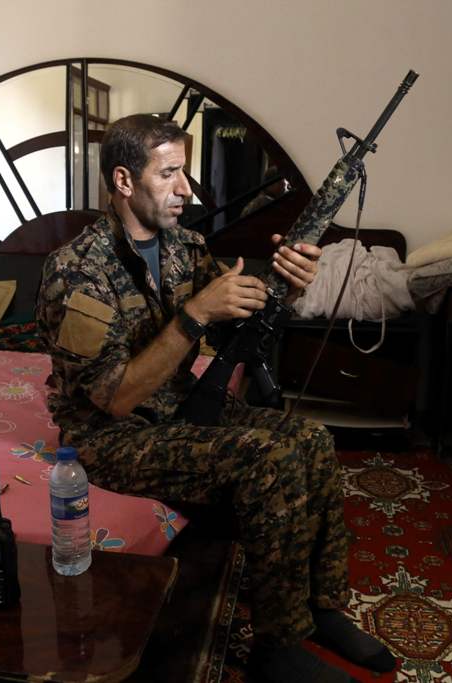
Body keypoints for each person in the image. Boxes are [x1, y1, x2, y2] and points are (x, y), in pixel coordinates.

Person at [37, 114, 396, 683]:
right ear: (124, 181)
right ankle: (276, 647)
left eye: (187, 172)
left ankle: (321, 608)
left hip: (183, 406)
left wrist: (286, 284)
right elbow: (114, 398)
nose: (186, 190)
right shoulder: (76, 272)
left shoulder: (186, 247)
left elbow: (235, 331)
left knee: (312, 438)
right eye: (171, 174)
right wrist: (196, 311)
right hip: (112, 437)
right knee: (269, 458)